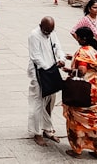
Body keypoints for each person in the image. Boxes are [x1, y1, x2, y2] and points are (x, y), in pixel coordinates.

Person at [64, 26, 97, 161]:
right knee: (93, 120)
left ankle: (77, 148)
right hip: (95, 91)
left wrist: (70, 71)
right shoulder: (93, 50)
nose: (76, 38)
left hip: (83, 91)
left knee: (78, 120)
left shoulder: (82, 53)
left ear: (82, 38)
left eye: (77, 37)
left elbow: (82, 71)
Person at [28, 16, 66, 146]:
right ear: (40, 26)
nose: (48, 34)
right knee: (38, 102)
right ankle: (37, 132)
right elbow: (36, 57)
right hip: (39, 72)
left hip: (52, 70)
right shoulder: (34, 35)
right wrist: (48, 69)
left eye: (50, 31)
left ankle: (47, 129)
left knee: (50, 100)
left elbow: (58, 48)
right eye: (46, 31)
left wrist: (61, 59)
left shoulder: (52, 33)